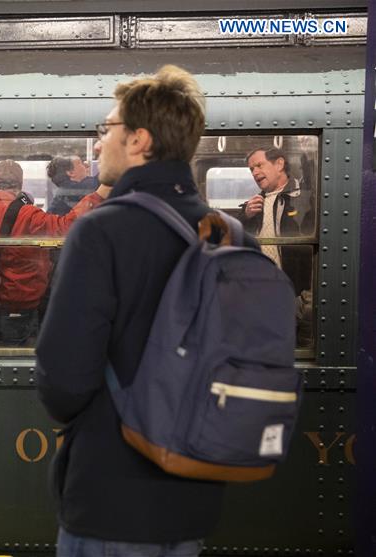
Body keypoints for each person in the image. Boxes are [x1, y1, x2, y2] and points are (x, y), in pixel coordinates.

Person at [36, 65, 259, 557]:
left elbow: (64, 384)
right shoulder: (233, 236)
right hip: (195, 490)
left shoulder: (100, 232)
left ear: (139, 140)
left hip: (109, 497)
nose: (98, 145)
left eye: (106, 130)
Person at [0, 160, 108, 345]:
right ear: (20, 185)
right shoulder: (27, 214)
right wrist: (99, 195)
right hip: (20, 309)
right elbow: (66, 228)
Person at [238, 147, 313, 345]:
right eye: (251, 169)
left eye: (259, 165)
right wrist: (245, 217)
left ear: (279, 164)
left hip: (295, 292)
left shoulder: (305, 199)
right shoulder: (253, 205)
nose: (254, 173)